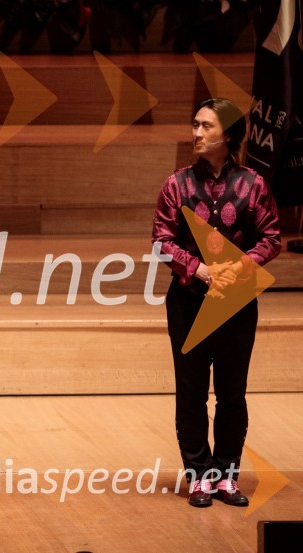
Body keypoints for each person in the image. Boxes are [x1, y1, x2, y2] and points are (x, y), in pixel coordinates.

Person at [152, 98, 281, 508]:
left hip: (237, 303)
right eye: (194, 124)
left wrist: (240, 268)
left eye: (205, 126)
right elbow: (161, 241)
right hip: (189, 301)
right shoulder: (177, 184)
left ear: (227, 136)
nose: (195, 133)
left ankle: (226, 475)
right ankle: (199, 476)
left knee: (232, 393)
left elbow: (271, 238)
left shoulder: (253, 184)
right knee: (190, 393)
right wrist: (200, 270)